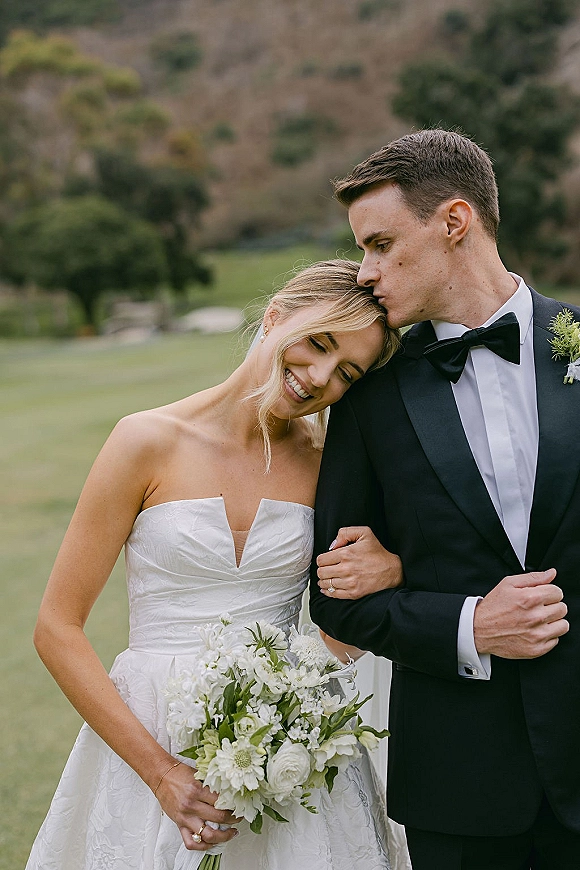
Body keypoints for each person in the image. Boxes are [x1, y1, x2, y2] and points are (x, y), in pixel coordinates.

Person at [26, 260, 404, 870]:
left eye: (347, 373)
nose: (319, 377)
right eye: (318, 343)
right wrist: (161, 774)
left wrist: (391, 569)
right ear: (277, 313)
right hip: (147, 737)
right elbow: (56, 628)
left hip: (290, 746)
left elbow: (348, 619)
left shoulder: (332, 465)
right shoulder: (144, 441)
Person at [310, 129, 580, 870]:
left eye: (381, 244)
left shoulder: (579, 342)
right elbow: (335, 601)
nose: (364, 272)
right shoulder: (368, 399)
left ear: (454, 222)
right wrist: (470, 624)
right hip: (458, 790)